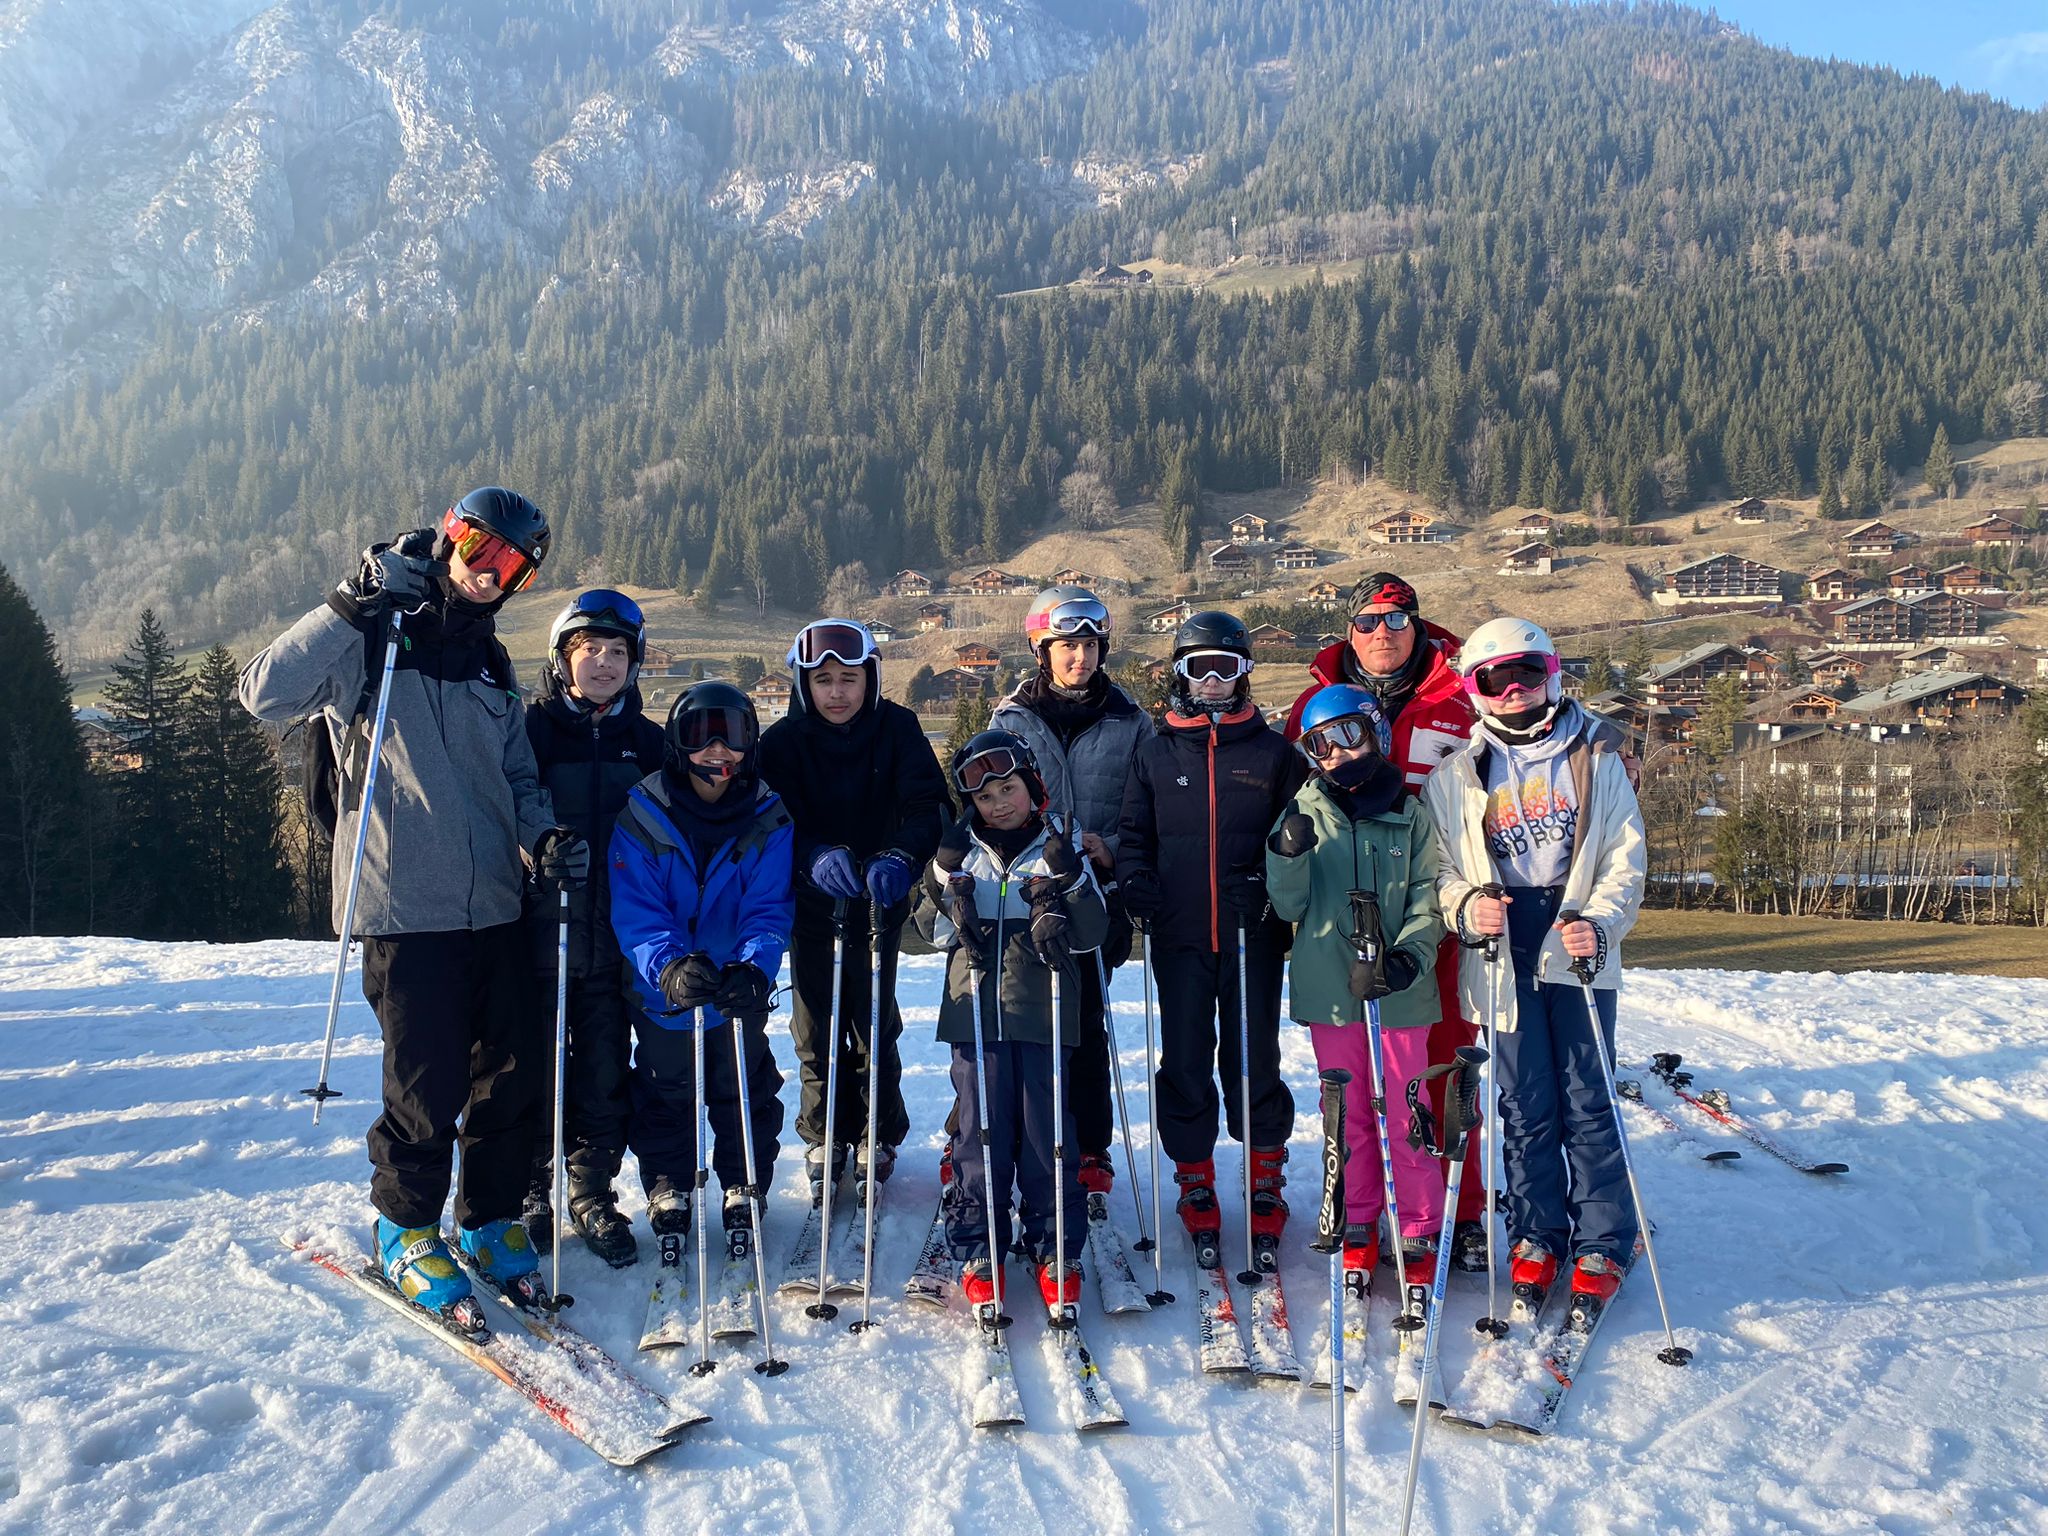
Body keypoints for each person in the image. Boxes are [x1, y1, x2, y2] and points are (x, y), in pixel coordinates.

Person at [240, 487, 585, 1323]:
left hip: (498, 903)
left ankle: (492, 1217)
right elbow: (263, 693)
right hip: (403, 903)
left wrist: (539, 839)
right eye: (477, 546)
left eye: (512, 566)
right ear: (447, 538)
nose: (487, 571)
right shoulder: (373, 637)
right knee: (425, 1082)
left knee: (511, 1075)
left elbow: (515, 777)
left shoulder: (492, 662)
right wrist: (347, 603)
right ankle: (406, 1229)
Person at [1422, 617, 1647, 1311]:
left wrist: (1601, 921)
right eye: (1495, 678)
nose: (1513, 689)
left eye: (1526, 673)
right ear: (1475, 690)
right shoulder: (1457, 775)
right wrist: (1464, 907)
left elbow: (1624, 858)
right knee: (1524, 1101)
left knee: (1588, 1093)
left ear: (1551, 674)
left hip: (1573, 933)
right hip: (1501, 939)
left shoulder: (1596, 757)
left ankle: (1605, 1236)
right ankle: (1536, 1230)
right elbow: (1437, 870)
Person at [1283, 573, 1491, 1268]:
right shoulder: (1312, 705)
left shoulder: (1461, 700)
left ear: (1419, 627)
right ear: (1349, 630)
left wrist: (1609, 748)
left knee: (1436, 1075)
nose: (1383, 632)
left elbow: (1532, 738)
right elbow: (1292, 806)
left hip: (1438, 911)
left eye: (1397, 620)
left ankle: (1455, 1211)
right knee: (1351, 1091)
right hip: (1341, 925)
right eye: (1368, 620)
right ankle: (1361, 1208)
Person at [1115, 611, 1299, 1268]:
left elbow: (1300, 840)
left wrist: (1277, 883)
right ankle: (1195, 1176)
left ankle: (1265, 1175)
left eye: (1227, 666)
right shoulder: (1157, 752)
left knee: (1254, 1057)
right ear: (1180, 674)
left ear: (1245, 673)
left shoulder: (1274, 755)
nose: (1214, 680)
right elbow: (1134, 836)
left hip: (1254, 934)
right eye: (1201, 667)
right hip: (1180, 932)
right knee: (1186, 1057)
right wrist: (1137, 880)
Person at [911, 730, 1106, 1312]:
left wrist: (1067, 889)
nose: (1000, 803)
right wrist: (945, 885)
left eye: (1009, 788)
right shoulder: (960, 852)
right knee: (979, 1132)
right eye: (986, 796)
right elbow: (926, 933)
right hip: (974, 1015)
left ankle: (1055, 1243)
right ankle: (979, 1242)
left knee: (1045, 1134)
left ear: (1032, 787)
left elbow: (1094, 933)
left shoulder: (1057, 845)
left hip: (1044, 1015)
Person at [758, 619, 947, 1206]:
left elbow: (927, 805)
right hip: (811, 902)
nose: (837, 693)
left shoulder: (897, 729)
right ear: (802, 684)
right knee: (815, 1022)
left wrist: (902, 854)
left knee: (870, 1018)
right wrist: (810, 855)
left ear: (870, 679)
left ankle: (876, 1131)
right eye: (823, 681)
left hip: (878, 898)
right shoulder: (783, 743)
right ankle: (823, 1133)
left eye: (849, 679)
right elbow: (769, 816)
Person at [1265, 684, 1445, 1291]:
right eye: (1321, 744)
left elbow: (1428, 899)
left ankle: (1418, 1224)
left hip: (1398, 992)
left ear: (1375, 733)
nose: (1338, 753)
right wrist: (1286, 852)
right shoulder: (1303, 810)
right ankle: (1360, 1217)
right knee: (1345, 1114)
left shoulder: (1412, 815)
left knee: (1406, 1108)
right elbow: (1288, 904)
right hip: (1331, 991)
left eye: (1348, 735)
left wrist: (1407, 959)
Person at [609, 682, 793, 1247]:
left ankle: (745, 1180)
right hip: (666, 991)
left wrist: (754, 967)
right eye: (699, 735)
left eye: (733, 735)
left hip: (734, 989)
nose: (718, 751)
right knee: (667, 1089)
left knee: (744, 1086)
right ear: (675, 744)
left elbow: (767, 906)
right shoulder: (643, 814)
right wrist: (667, 965)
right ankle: (670, 1181)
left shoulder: (767, 815)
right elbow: (637, 907)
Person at [519, 590, 664, 1267]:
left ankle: (591, 1193)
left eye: (616, 653)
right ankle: (529, 1191)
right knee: (534, 1070)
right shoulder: (534, 731)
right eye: (589, 651)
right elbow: (501, 812)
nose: (603, 664)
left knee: (605, 1070)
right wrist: (535, 850)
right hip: (539, 937)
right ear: (562, 659)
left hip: (615, 941)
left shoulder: (649, 744)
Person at [989, 586, 1148, 1201]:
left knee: (1085, 1025)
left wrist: (1111, 844)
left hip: (1096, 895)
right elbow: (989, 810)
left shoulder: (1130, 721)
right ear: (1041, 649)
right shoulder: (1011, 720)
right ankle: (1005, 1138)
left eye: (1087, 645)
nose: (1078, 658)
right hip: (1030, 894)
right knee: (1019, 1021)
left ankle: (1089, 1148)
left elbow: (1144, 809)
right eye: (1065, 646)